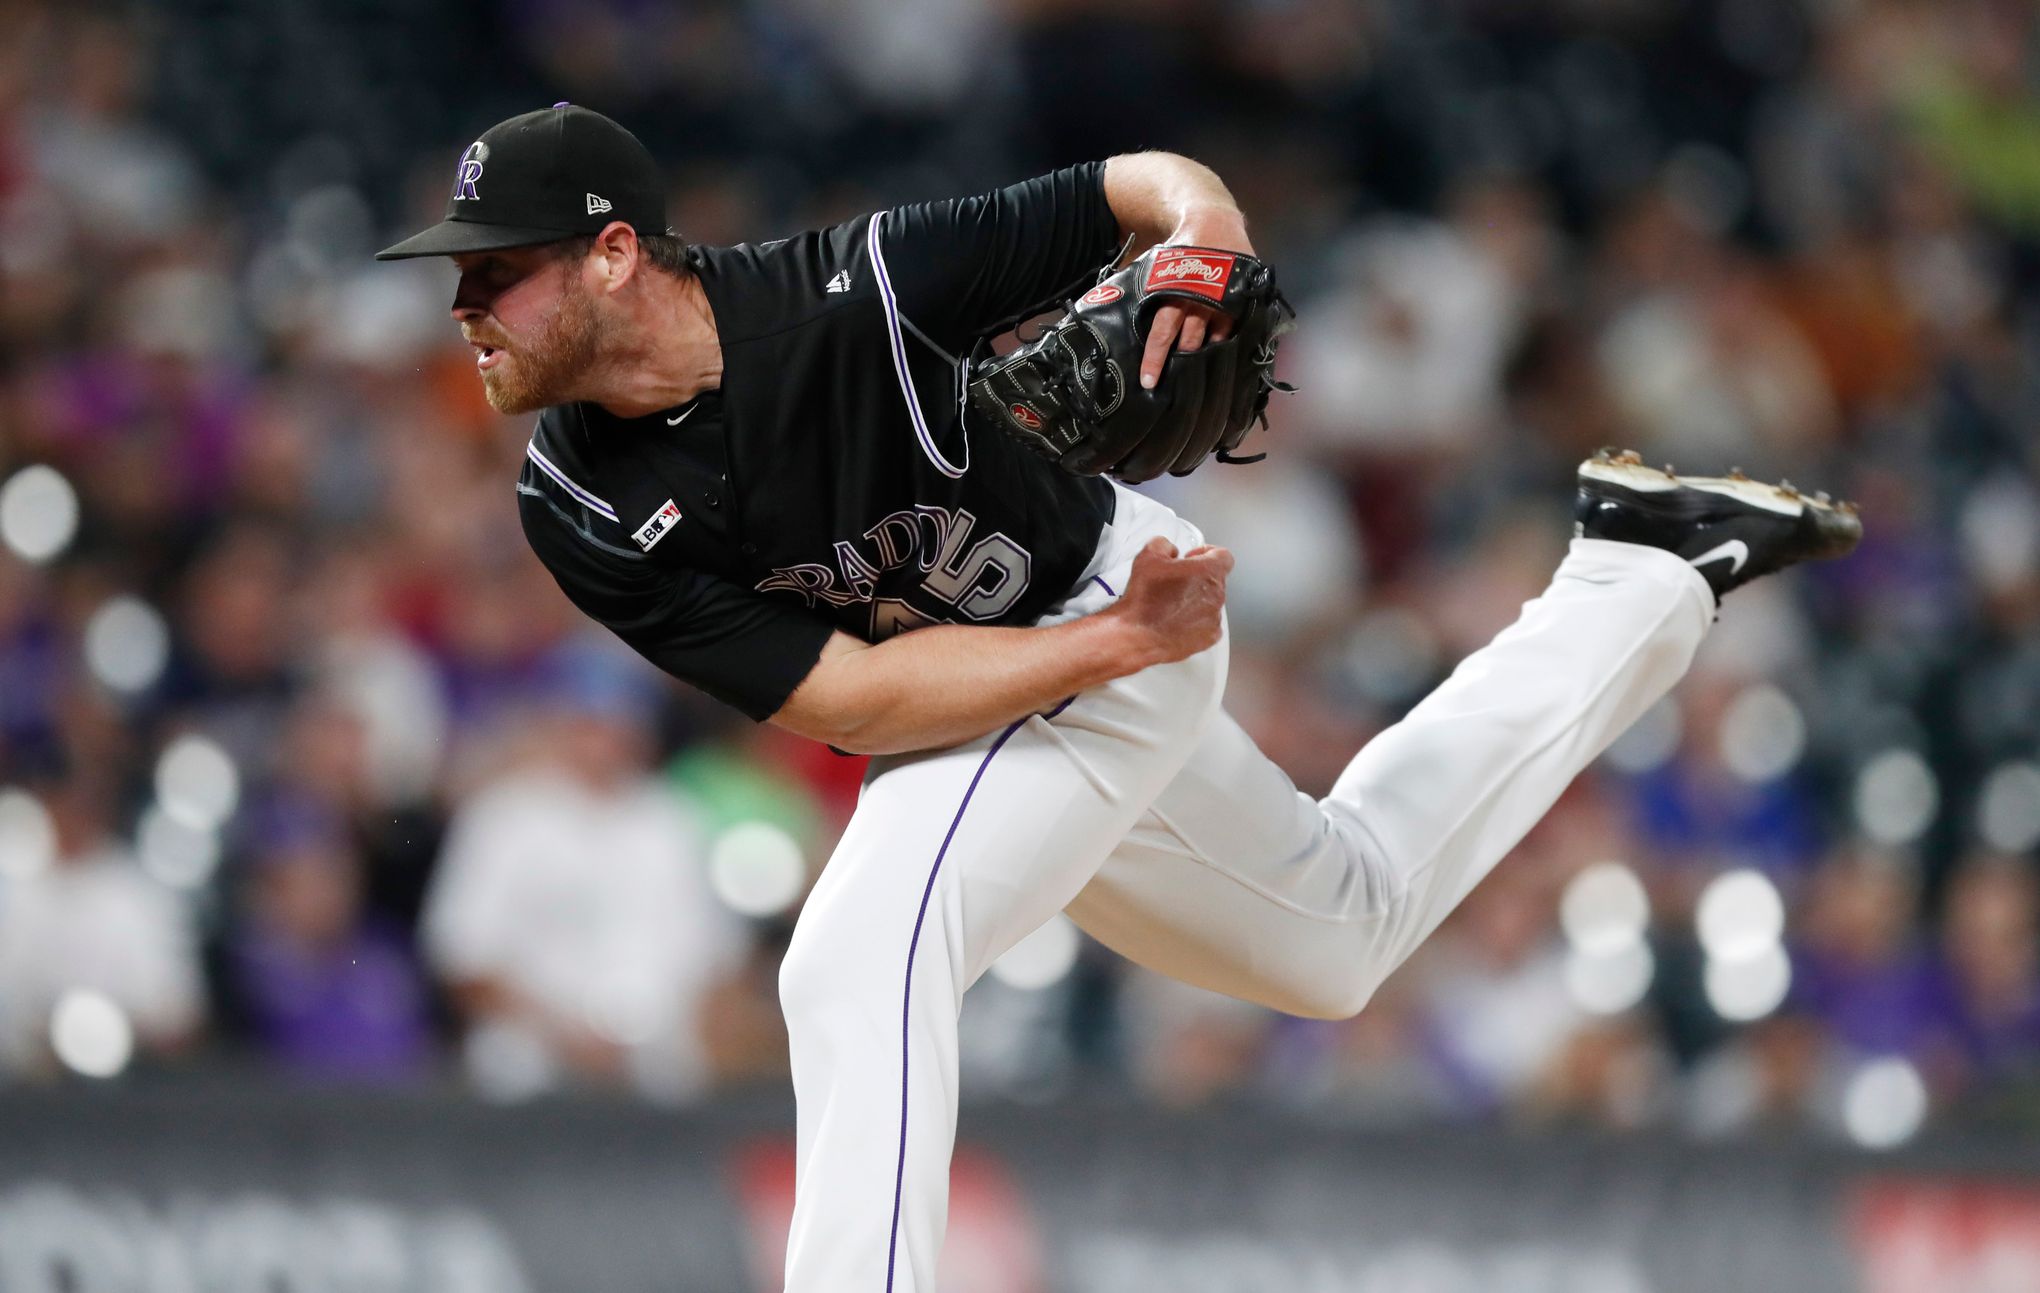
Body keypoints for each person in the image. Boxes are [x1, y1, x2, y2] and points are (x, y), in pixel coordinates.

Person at [378, 104, 1860, 1289]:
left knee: (855, 956)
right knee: (1333, 933)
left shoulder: (857, 293)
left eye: (494, 268)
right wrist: (1112, 656)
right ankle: (1642, 575)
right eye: (460, 276)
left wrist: (1206, 236)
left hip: (1102, 590)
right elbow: (858, 691)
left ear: (616, 253)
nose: (467, 304)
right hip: (1059, 663)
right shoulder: (573, 498)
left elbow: (1138, 182)